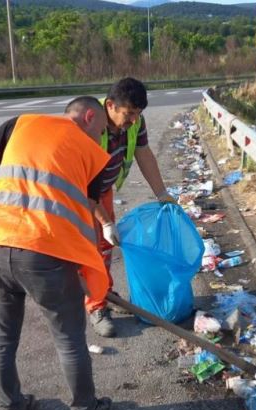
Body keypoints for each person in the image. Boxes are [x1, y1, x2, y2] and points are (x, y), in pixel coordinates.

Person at [0, 96, 117, 410]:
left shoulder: (20, 125)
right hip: (45, 254)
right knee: (69, 339)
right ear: (89, 116)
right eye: (101, 130)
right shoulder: (95, 158)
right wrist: (88, 272)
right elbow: (84, 220)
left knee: (1, 338)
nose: (100, 139)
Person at [87, 77, 176, 338]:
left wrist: (162, 193)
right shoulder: (91, 123)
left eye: (138, 114)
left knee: (104, 247)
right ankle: (96, 306)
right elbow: (81, 183)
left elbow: (144, 154)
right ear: (111, 106)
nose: (134, 120)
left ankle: (102, 290)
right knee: (89, 249)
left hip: (102, 191)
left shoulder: (135, 121)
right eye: (129, 114)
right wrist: (103, 222)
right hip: (78, 192)